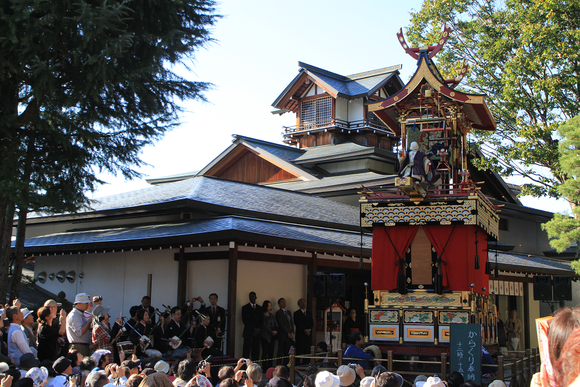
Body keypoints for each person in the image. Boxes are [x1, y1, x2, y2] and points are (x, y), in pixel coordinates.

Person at [241, 292, 262, 360]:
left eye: (253, 297)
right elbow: (245, 320)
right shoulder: (245, 308)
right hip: (248, 332)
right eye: (250, 297)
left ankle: (255, 368)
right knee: (246, 351)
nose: (252, 298)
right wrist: (253, 329)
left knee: (256, 351)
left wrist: (258, 329)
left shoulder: (259, 308)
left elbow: (262, 320)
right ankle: (244, 367)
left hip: (257, 333)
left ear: (256, 297)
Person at [275, 298, 293, 364]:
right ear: (279, 304)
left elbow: (291, 322)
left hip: (289, 336)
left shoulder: (288, 312)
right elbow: (281, 324)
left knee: (287, 352)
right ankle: (279, 365)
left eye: (284, 301)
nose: (284, 303)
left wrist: (292, 331)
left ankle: (286, 366)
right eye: (282, 302)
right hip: (282, 335)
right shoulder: (278, 313)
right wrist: (287, 332)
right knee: (280, 351)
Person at [260, 301, 278, 370]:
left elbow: (276, 324)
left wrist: (275, 331)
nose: (270, 307)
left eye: (270, 306)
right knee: (265, 352)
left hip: (272, 336)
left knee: (271, 352)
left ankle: (270, 366)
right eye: (268, 306)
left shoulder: (271, 315)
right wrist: (271, 331)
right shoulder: (262, 315)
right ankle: (264, 367)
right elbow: (264, 326)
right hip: (264, 336)